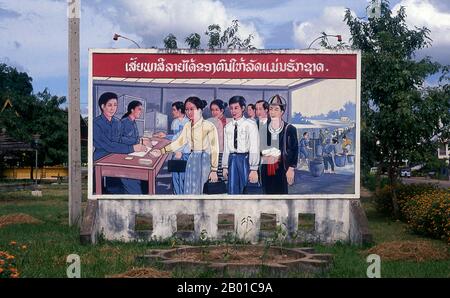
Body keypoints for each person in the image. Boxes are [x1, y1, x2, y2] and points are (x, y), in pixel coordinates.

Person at [154, 97, 219, 195]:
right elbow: (179, 142)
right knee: (189, 189)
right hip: (192, 159)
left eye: (192, 109)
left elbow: (215, 149)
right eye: (187, 109)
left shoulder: (209, 126)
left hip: (204, 160)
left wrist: (214, 170)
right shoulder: (188, 126)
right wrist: (162, 151)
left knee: (200, 190)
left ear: (200, 110)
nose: (189, 112)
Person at [93, 92, 146, 194]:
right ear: (102, 106)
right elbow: (108, 145)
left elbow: (120, 140)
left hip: (117, 155)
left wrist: (138, 142)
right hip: (101, 158)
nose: (113, 108)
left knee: (136, 172)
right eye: (110, 105)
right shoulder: (96, 123)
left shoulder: (117, 122)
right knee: (131, 178)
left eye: (115, 105)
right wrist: (132, 148)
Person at [260, 94, 298, 194]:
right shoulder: (263, 128)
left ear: (282, 112)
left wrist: (291, 169)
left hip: (282, 169)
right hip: (266, 168)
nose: (272, 112)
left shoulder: (290, 129)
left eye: (276, 109)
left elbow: (294, 150)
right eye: (271, 109)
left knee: (281, 198)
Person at [222, 96, 260, 194]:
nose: (233, 111)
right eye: (231, 108)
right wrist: (225, 166)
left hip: (245, 160)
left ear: (243, 108)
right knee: (232, 189)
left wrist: (254, 169)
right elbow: (226, 148)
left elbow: (254, 147)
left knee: (247, 188)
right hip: (232, 160)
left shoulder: (250, 125)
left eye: (236, 108)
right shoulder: (228, 127)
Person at [119, 100, 151, 194]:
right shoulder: (124, 122)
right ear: (132, 110)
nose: (141, 112)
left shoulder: (133, 122)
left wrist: (142, 140)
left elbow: (135, 137)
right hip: (125, 154)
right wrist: (139, 141)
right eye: (139, 109)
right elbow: (119, 139)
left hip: (134, 152)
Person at [207, 99, 230, 181]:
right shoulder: (209, 122)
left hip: (224, 154)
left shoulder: (228, 123)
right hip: (212, 154)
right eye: (212, 110)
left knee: (224, 178)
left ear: (222, 110)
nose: (214, 112)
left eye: (216, 110)